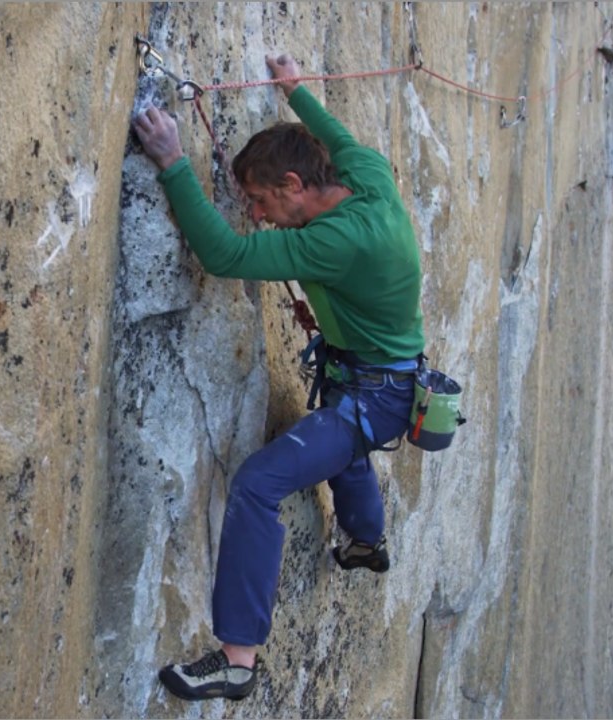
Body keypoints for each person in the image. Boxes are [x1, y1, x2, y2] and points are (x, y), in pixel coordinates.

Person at [133, 53, 424, 702]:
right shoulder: (365, 175)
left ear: (295, 185)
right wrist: (297, 91)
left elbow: (226, 253)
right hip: (377, 376)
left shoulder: (336, 240)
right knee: (336, 446)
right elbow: (337, 136)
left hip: (375, 395)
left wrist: (174, 163)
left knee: (260, 482)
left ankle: (236, 660)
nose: (258, 215)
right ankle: (364, 543)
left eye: (262, 201)